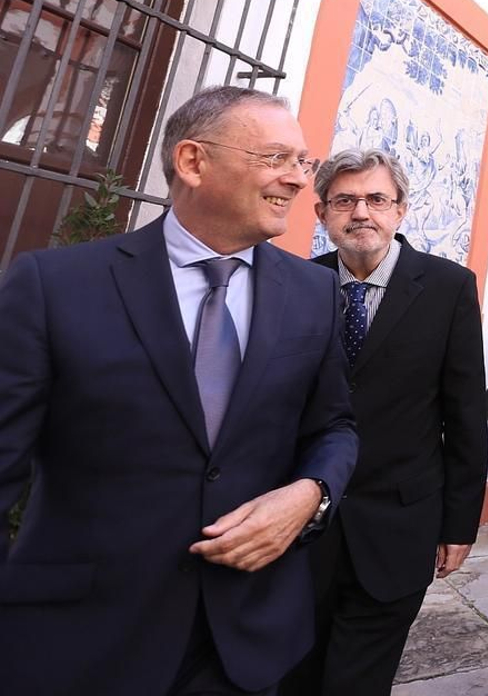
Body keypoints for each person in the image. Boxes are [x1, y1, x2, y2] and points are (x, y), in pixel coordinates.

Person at [0, 86, 358, 695]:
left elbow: (333, 427)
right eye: (276, 159)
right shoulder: (56, 285)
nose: (300, 182)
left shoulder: (314, 295)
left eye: (305, 163)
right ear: (193, 162)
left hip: (242, 643)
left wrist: (311, 494)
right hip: (79, 641)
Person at [282, 149, 488, 695]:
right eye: (344, 201)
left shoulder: (448, 288)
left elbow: (464, 412)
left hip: (399, 529)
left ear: (401, 210)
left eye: (377, 199)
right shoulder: (296, 284)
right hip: (303, 529)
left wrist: (458, 525)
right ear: (322, 213)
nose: (361, 213)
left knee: (357, 682)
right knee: (291, 675)